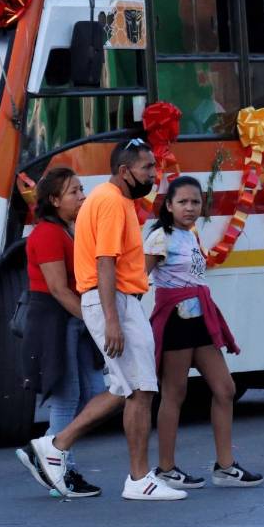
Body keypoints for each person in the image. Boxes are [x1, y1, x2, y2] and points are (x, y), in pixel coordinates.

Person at [18, 138, 187, 501]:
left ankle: (56, 446)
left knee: (122, 388)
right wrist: (112, 318)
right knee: (140, 389)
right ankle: (138, 479)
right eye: (147, 168)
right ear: (125, 171)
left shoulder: (111, 199)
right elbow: (105, 261)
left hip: (117, 301)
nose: (153, 175)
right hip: (114, 302)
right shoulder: (111, 202)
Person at [144, 175, 262, 488]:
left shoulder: (190, 235)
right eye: (182, 202)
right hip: (176, 320)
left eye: (195, 202)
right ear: (168, 205)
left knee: (225, 389)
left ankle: (225, 467)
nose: (190, 208)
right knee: (174, 393)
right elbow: (138, 279)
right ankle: (166, 468)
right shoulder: (160, 237)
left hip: (201, 319)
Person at [18, 167, 105, 498]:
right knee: (67, 396)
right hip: (57, 323)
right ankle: (57, 466)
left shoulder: (68, 229)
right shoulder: (48, 234)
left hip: (73, 322)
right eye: (74, 192)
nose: (82, 196)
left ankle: (54, 458)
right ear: (53, 200)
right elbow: (58, 289)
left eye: (81, 190)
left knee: (95, 392)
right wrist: (94, 320)